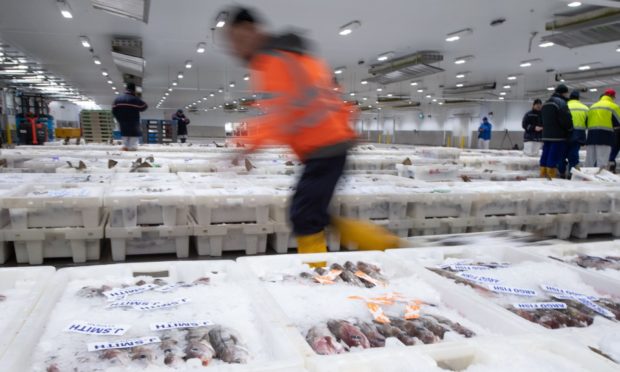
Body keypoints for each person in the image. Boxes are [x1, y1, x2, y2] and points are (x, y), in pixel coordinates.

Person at [224, 7, 401, 261]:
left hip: (326, 147)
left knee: (304, 216)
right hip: (327, 145)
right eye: (232, 43)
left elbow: (280, 117)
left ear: (253, 31)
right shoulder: (292, 57)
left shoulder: (274, 61)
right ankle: (384, 243)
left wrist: (247, 146)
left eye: (238, 39)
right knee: (313, 212)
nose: (236, 49)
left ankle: (319, 272)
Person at [540, 84, 573, 179]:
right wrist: (570, 129)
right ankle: (550, 177)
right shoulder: (561, 103)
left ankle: (543, 175)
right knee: (553, 156)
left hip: (546, 135)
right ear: (564, 93)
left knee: (545, 155)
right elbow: (565, 119)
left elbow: (541, 119)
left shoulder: (546, 103)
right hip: (557, 136)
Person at [585, 89, 620, 169]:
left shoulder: (593, 106)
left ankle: (586, 177)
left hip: (591, 136)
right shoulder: (613, 106)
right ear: (612, 96)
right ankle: (599, 178)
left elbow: (586, 122)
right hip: (605, 136)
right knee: (602, 160)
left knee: (589, 160)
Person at [559, 90, 588, 178]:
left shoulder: (563, 106)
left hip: (564, 134)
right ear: (578, 98)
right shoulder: (585, 108)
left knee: (562, 155)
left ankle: (562, 173)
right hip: (578, 135)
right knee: (574, 156)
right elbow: (587, 123)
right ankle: (572, 175)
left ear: (570, 97)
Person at [112, 82, 148, 151]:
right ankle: (132, 148)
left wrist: (118, 118)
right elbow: (144, 107)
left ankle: (125, 146)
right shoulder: (135, 99)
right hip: (133, 121)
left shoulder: (118, 99)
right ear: (134, 90)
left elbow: (114, 110)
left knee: (125, 134)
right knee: (133, 135)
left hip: (122, 121)